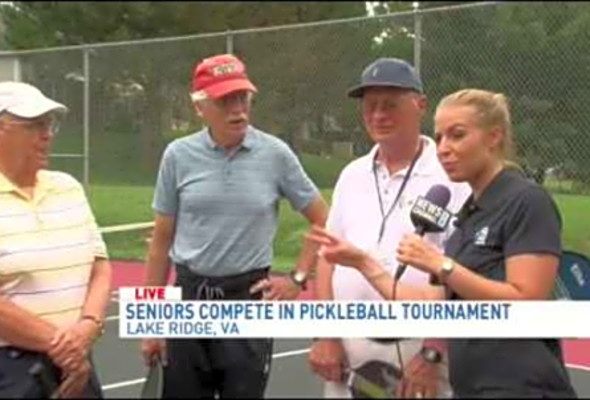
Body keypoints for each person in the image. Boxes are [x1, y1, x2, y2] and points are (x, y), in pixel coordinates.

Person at [308, 88, 578, 398]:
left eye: (457, 135)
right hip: (472, 385)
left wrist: (442, 265)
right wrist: (363, 263)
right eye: (440, 137)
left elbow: (526, 303)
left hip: (521, 385)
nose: (444, 148)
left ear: (494, 137)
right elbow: (433, 303)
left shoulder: (526, 201)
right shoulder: (467, 216)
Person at [140, 53, 328, 399]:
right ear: (200, 107)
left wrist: (298, 279)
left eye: (242, 98)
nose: (237, 109)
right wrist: (152, 322)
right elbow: (161, 242)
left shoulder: (276, 155)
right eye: (225, 100)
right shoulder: (177, 155)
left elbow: (322, 219)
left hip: (248, 299)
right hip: (188, 299)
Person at [307, 58, 470, 399]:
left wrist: (433, 350)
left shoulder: (452, 176)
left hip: (421, 355)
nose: (379, 115)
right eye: (370, 106)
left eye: (390, 105)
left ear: (420, 106)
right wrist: (326, 334)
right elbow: (328, 259)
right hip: (349, 351)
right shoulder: (352, 174)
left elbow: (463, 276)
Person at [0, 81, 112, 398]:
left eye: (49, 125)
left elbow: (99, 267)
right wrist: (64, 347)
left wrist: (88, 327)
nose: (46, 134)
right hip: (11, 373)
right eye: (34, 125)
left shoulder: (68, 187)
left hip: (76, 362)